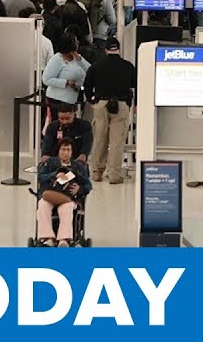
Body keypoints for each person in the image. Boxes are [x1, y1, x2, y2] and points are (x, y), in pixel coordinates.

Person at [82, 37, 137, 184]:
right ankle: (114, 175)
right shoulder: (128, 66)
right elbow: (136, 85)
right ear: (119, 49)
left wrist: (92, 100)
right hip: (121, 104)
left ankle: (96, 172)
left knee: (100, 139)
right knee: (116, 142)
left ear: (105, 49)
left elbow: (87, 86)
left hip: (101, 103)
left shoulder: (96, 66)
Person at [35, 138, 91, 247]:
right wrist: (54, 175)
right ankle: (47, 238)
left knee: (66, 208)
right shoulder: (49, 163)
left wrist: (79, 189)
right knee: (42, 206)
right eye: (63, 149)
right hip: (50, 194)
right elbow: (40, 177)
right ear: (58, 151)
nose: (65, 152)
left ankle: (64, 240)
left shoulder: (78, 166)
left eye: (68, 150)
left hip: (68, 197)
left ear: (72, 151)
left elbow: (88, 185)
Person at [44, 35, 91, 109]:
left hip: (76, 98)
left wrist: (81, 59)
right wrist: (66, 82)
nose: (78, 42)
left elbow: (90, 71)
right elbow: (46, 79)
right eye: (75, 41)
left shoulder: (76, 58)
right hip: (58, 100)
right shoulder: (57, 59)